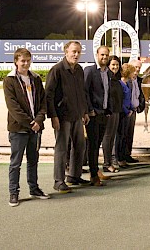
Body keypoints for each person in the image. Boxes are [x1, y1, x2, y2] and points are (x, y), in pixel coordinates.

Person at [3, 48, 50, 206]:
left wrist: (39, 120)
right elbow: (13, 107)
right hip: (19, 129)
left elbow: (43, 102)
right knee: (15, 163)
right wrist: (31, 124)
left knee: (33, 160)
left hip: (35, 128)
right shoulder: (9, 80)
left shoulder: (35, 78)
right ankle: (13, 192)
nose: (26, 63)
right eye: (22, 60)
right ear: (16, 61)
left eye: (28, 60)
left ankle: (34, 188)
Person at [45, 40, 90, 193]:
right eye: (73, 51)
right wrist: (53, 116)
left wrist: (84, 111)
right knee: (62, 148)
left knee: (80, 146)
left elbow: (82, 93)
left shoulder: (79, 70)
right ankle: (58, 181)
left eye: (78, 51)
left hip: (77, 115)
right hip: (62, 116)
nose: (76, 54)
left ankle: (74, 176)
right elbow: (49, 95)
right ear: (66, 52)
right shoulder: (57, 70)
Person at [84, 46, 112, 186]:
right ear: (97, 54)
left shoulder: (108, 73)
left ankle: (96, 171)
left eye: (106, 55)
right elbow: (85, 92)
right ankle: (94, 175)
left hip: (104, 114)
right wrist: (90, 110)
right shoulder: (89, 70)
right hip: (93, 114)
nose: (104, 57)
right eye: (102, 55)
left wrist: (108, 110)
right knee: (93, 145)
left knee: (98, 144)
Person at [101, 55, 122, 173]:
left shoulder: (116, 78)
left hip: (116, 111)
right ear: (109, 65)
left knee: (112, 137)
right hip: (109, 112)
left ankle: (109, 162)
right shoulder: (107, 78)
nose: (115, 67)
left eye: (117, 65)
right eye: (113, 65)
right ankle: (106, 163)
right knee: (107, 137)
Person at [115, 63, 136, 168]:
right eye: (133, 71)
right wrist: (127, 111)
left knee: (124, 136)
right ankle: (118, 158)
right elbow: (120, 100)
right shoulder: (120, 83)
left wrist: (131, 108)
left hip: (128, 112)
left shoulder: (128, 83)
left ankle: (122, 157)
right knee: (119, 136)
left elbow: (129, 99)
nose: (134, 73)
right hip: (122, 113)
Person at [125, 59, 146, 163]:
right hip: (126, 111)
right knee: (123, 134)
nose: (137, 69)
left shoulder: (138, 80)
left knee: (130, 134)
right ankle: (120, 157)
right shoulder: (126, 79)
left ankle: (127, 155)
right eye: (135, 67)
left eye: (139, 67)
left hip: (133, 110)